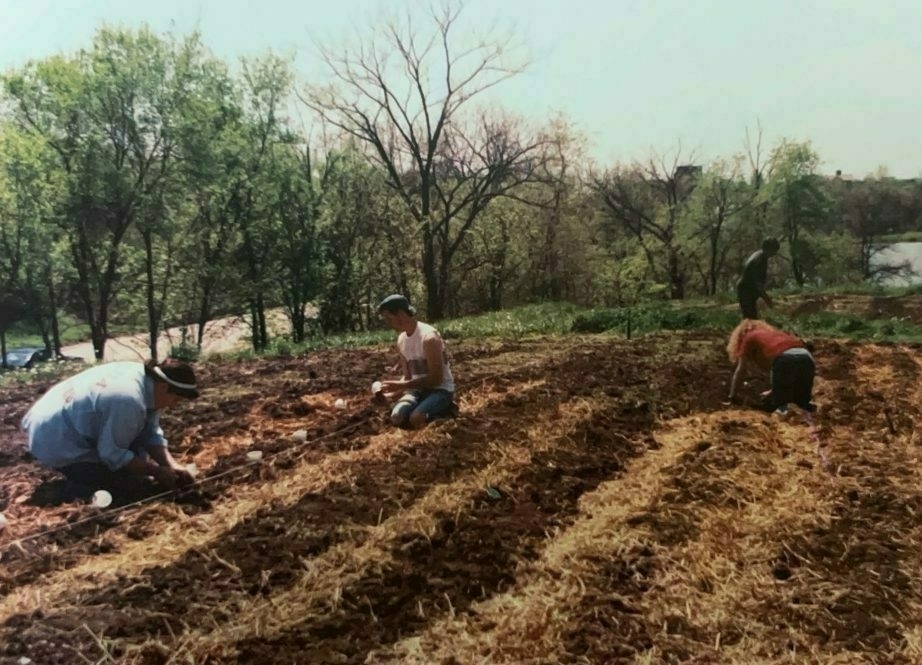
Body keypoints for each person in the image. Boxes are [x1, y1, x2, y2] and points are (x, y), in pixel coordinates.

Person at [21, 359, 200, 500]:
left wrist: (171, 465)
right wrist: (156, 471)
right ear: (163, 386)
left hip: (62, 417)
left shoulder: (148, 381)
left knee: (136, 465)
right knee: (125, 486)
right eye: (175, 400)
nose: (173, 406)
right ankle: (66, 491)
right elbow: (112, 454)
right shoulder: (128, 400)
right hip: (54, 437)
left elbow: (150, 432)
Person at [376, 294, 456, 429]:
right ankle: (425, 407)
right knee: (397, 417)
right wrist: (390, 394)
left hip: (440, 390)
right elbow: (408, 377)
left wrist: (401, 386)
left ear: (400, 314)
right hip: (417, 391)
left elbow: (436, 379)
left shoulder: (429, 337)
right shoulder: (401, 340)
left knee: (416, 418)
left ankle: (447, 411)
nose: (389, 324)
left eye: (389, 319)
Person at [727, 319, 816, 416]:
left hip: (784, 359)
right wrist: (773, 390)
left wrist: (733, 396)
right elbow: (788, 373)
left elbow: (741, 370)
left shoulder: (749, 337)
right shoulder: (776, 335)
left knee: (781, 408)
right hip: (806, 357)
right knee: (802, 403)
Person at [737, 237, 780, 320]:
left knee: (751, 317)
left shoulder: (761, 255)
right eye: (774, 251)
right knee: (750, 319)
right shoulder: (758, 260)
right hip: (746, 291)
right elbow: (758, 284)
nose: (774, 253)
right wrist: (767, 299)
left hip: (749, 290)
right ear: (768, 249)